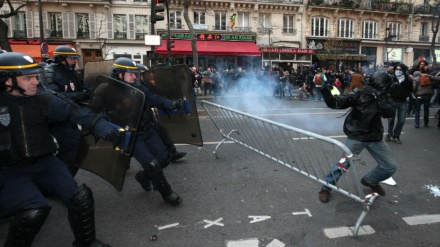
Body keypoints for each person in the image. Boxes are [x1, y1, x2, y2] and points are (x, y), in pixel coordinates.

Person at [0, 52, 121, 246]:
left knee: (80, 197)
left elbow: (75, 112)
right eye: (28, 78)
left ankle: (86, 242)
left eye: (36, 77)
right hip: (10, 169)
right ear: (7, 81)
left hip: (44, 162)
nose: (35, 82)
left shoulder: (42, 98)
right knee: (33, 211)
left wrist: (105, 129)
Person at [110, 57, 183, 205]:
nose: (135, 76)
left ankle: (143, 177)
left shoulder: (138, 87)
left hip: (148, 130)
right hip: (133, 136)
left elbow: (154, 98)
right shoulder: (109, 92)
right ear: (120, 74)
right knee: (152, 165)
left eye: (134, 73)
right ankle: (167, 193)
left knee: (164, 159)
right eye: (131, 74)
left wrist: (172, 104)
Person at [318, 71, 397, 203]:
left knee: (390, 166)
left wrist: (377, 98)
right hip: (357, 136)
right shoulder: (359, 94)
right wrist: (326, 92)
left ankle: (370, 180)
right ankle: (326, 188)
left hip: (375, 137)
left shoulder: (383, 96)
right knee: (342, 165)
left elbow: (389, 112)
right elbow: (336, 103)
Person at [39, 45, 86, 176]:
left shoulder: (72, 73)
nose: (75, 61)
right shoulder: (50, 72)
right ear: (61, 59)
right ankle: (60, 178)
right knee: (71, 148)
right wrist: (76, 96)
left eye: (75, 58)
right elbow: (51, 96)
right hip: (57, 119)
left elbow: (80, 89)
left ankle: (64, 178)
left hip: (70, 115)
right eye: (72, 58)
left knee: (76, 148)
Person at [137, 63, 187, 162]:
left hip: (146, 117)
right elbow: (154, 99)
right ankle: (122, 162)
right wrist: (171, 103)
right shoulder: (137, 86)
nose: (145, 77)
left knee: (161, 132)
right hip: (136, 119)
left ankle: (171, 153)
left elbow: (156, 97)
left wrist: (172, 103)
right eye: (143, 75)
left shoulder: (144, 85)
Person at [385, 64, 413, 144]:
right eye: (396, 69)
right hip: (392, 101)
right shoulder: (391, 78)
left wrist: (409, 97)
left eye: (400, 69)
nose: (398, 71)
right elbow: (386, 88)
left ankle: (396, 136)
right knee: (391, 119)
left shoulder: (408, 79)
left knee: (401, 120)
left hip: (403, 101)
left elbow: (410, 90)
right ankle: (389, 134)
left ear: (403, 70)